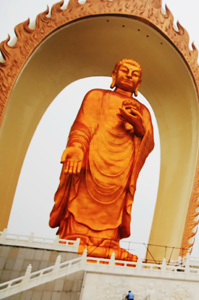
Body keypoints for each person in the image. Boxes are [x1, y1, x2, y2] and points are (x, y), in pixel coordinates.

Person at [49, 59, 155, 261]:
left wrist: (138, 125)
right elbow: (82, 126)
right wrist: (76, 148)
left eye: (134, 74)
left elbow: (148, 142)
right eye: (124, 71)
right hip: (91, 161)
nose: (129, 75)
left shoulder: (143, 111)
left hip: (122, 167)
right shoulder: (96, 96)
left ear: (138, 84)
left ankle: (109, 242)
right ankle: (75, 235)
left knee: (115, 205)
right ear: (114, 75)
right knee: (82, 197)